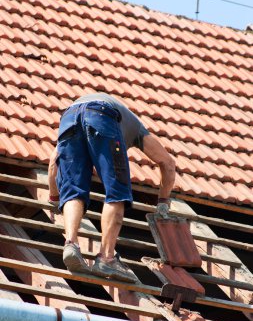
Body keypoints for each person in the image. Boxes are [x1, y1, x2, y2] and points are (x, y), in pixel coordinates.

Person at [48, 92, 175, 283]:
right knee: (117, 190)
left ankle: (71, 245)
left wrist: (54, 197)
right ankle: (107, 258)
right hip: (101, 115)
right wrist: (163, 202)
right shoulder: (137, 130)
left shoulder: (76, 117)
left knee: (73, 188)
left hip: (69, 117)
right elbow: (168, 163)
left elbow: (53, 163)